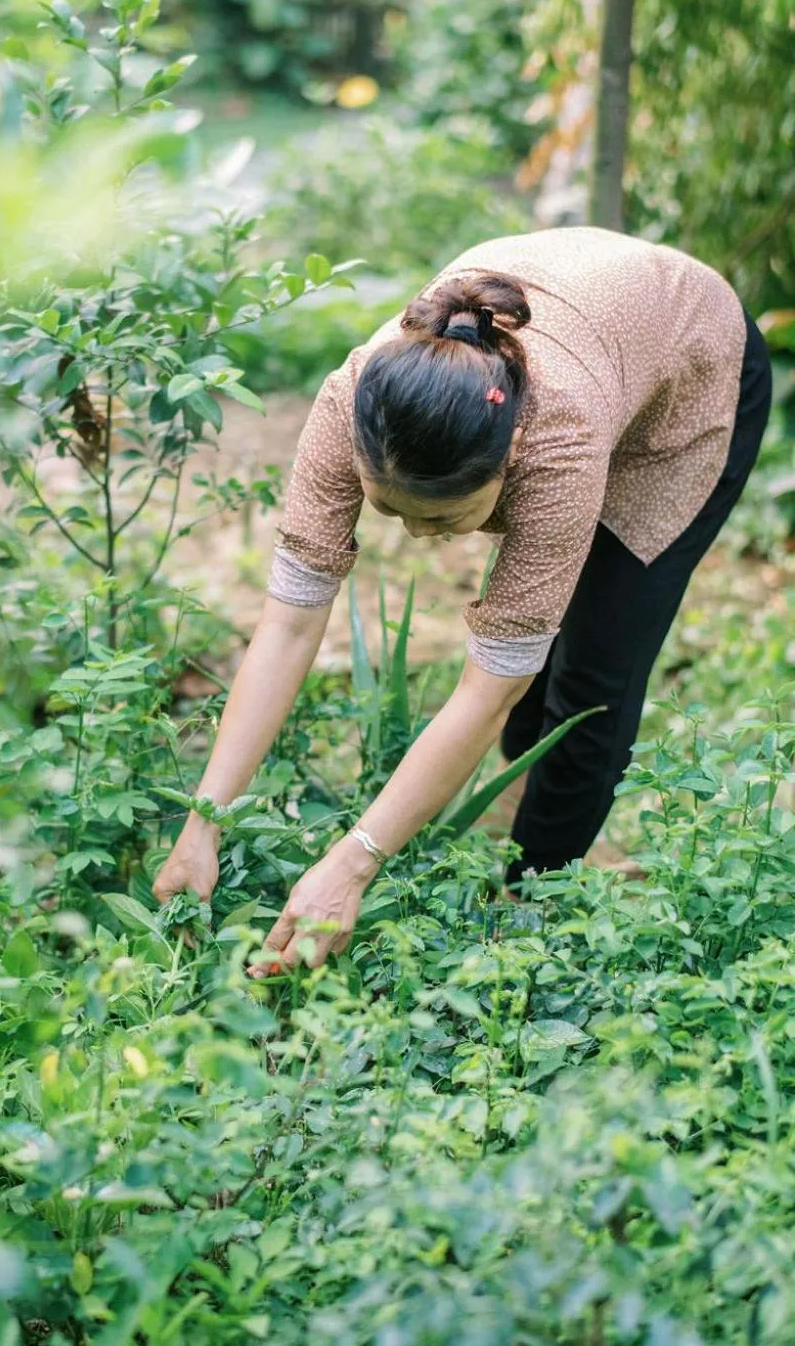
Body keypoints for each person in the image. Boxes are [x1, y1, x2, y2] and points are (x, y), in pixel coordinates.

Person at [153, 226, 773, 975]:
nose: (419, 537)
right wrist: (204, 823)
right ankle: (528, 811)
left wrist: (352, 865)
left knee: (595, 667)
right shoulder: (354, 401)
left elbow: (488, 692)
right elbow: (286, 626)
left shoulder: (557, 447)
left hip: (691, 370)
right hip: (596, 327)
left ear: (508, 462)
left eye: (442, 518)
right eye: (396, 512)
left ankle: (534, 910)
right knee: (541, 649)